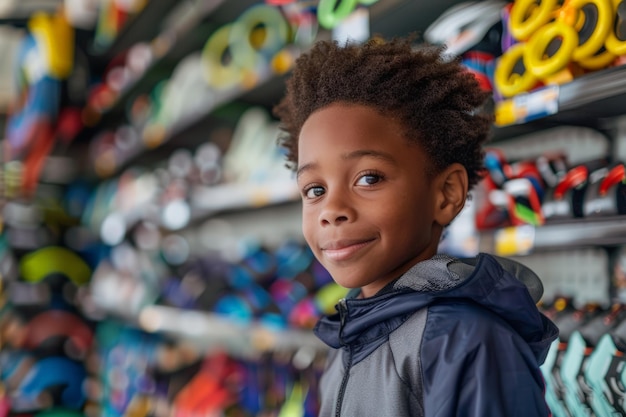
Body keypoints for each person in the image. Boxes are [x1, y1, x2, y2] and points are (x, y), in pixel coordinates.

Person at [273, 36, 559, 417]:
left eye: (369, 178)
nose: (332, 209)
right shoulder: (350, 337)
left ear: (445, 194)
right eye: (315, 189)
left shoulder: (465, 342)